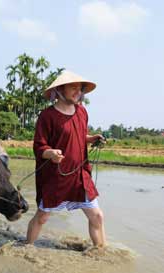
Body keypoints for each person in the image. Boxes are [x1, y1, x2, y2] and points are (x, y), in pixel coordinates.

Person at [26, 70, 106, 247]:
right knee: (43, 217)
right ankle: (27, 247)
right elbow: (39, 146)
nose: (79, 92)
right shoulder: (47, 116)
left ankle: (101, 252)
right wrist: (51, 153)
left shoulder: (82, 112)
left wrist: (92, 138)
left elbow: (78, 136)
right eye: (74, 88)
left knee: (97, 216)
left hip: (79, 175)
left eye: (80, 88)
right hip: (56, 176)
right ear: (60, 90)